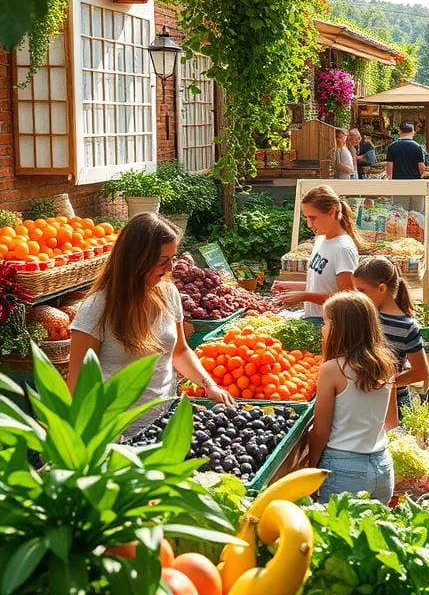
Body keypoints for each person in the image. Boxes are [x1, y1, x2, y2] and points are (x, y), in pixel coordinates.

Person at [68, 213, 234, 436]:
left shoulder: (169, 293)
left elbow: (180, 352)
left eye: (172, 258)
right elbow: (77, 385)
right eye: (163, 260)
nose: (170, 267)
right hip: (117, 433)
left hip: (165, 422)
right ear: (137, 259)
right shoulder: (97, 308)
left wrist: (208, 383)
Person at [309, 291, 398, 504]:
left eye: (325, 322)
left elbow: (321, 431)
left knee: (336, 534)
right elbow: (392, 421)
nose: (322, 328)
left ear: (340, 329)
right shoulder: (386, 365)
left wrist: (310, 467)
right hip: (382, 466)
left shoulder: (332, 369)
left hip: (344, 469)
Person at [271, 185, 360, 324]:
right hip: (315, 319)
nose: (308, 224)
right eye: (306, 218)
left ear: (331, 212)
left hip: (331, 324)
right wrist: (291, 286)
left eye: (312, 218)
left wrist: (304, 296)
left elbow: (347, 298)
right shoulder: (321, 239)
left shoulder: (343, 249)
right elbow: (324, 284)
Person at [354, 256, 429, 416]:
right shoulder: (365, 315)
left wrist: (387, 383)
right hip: (363, 395)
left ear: (382, 288)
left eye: (361, 291)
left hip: (393, 401)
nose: (357, 296)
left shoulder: (407, 327)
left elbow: (421, 371)